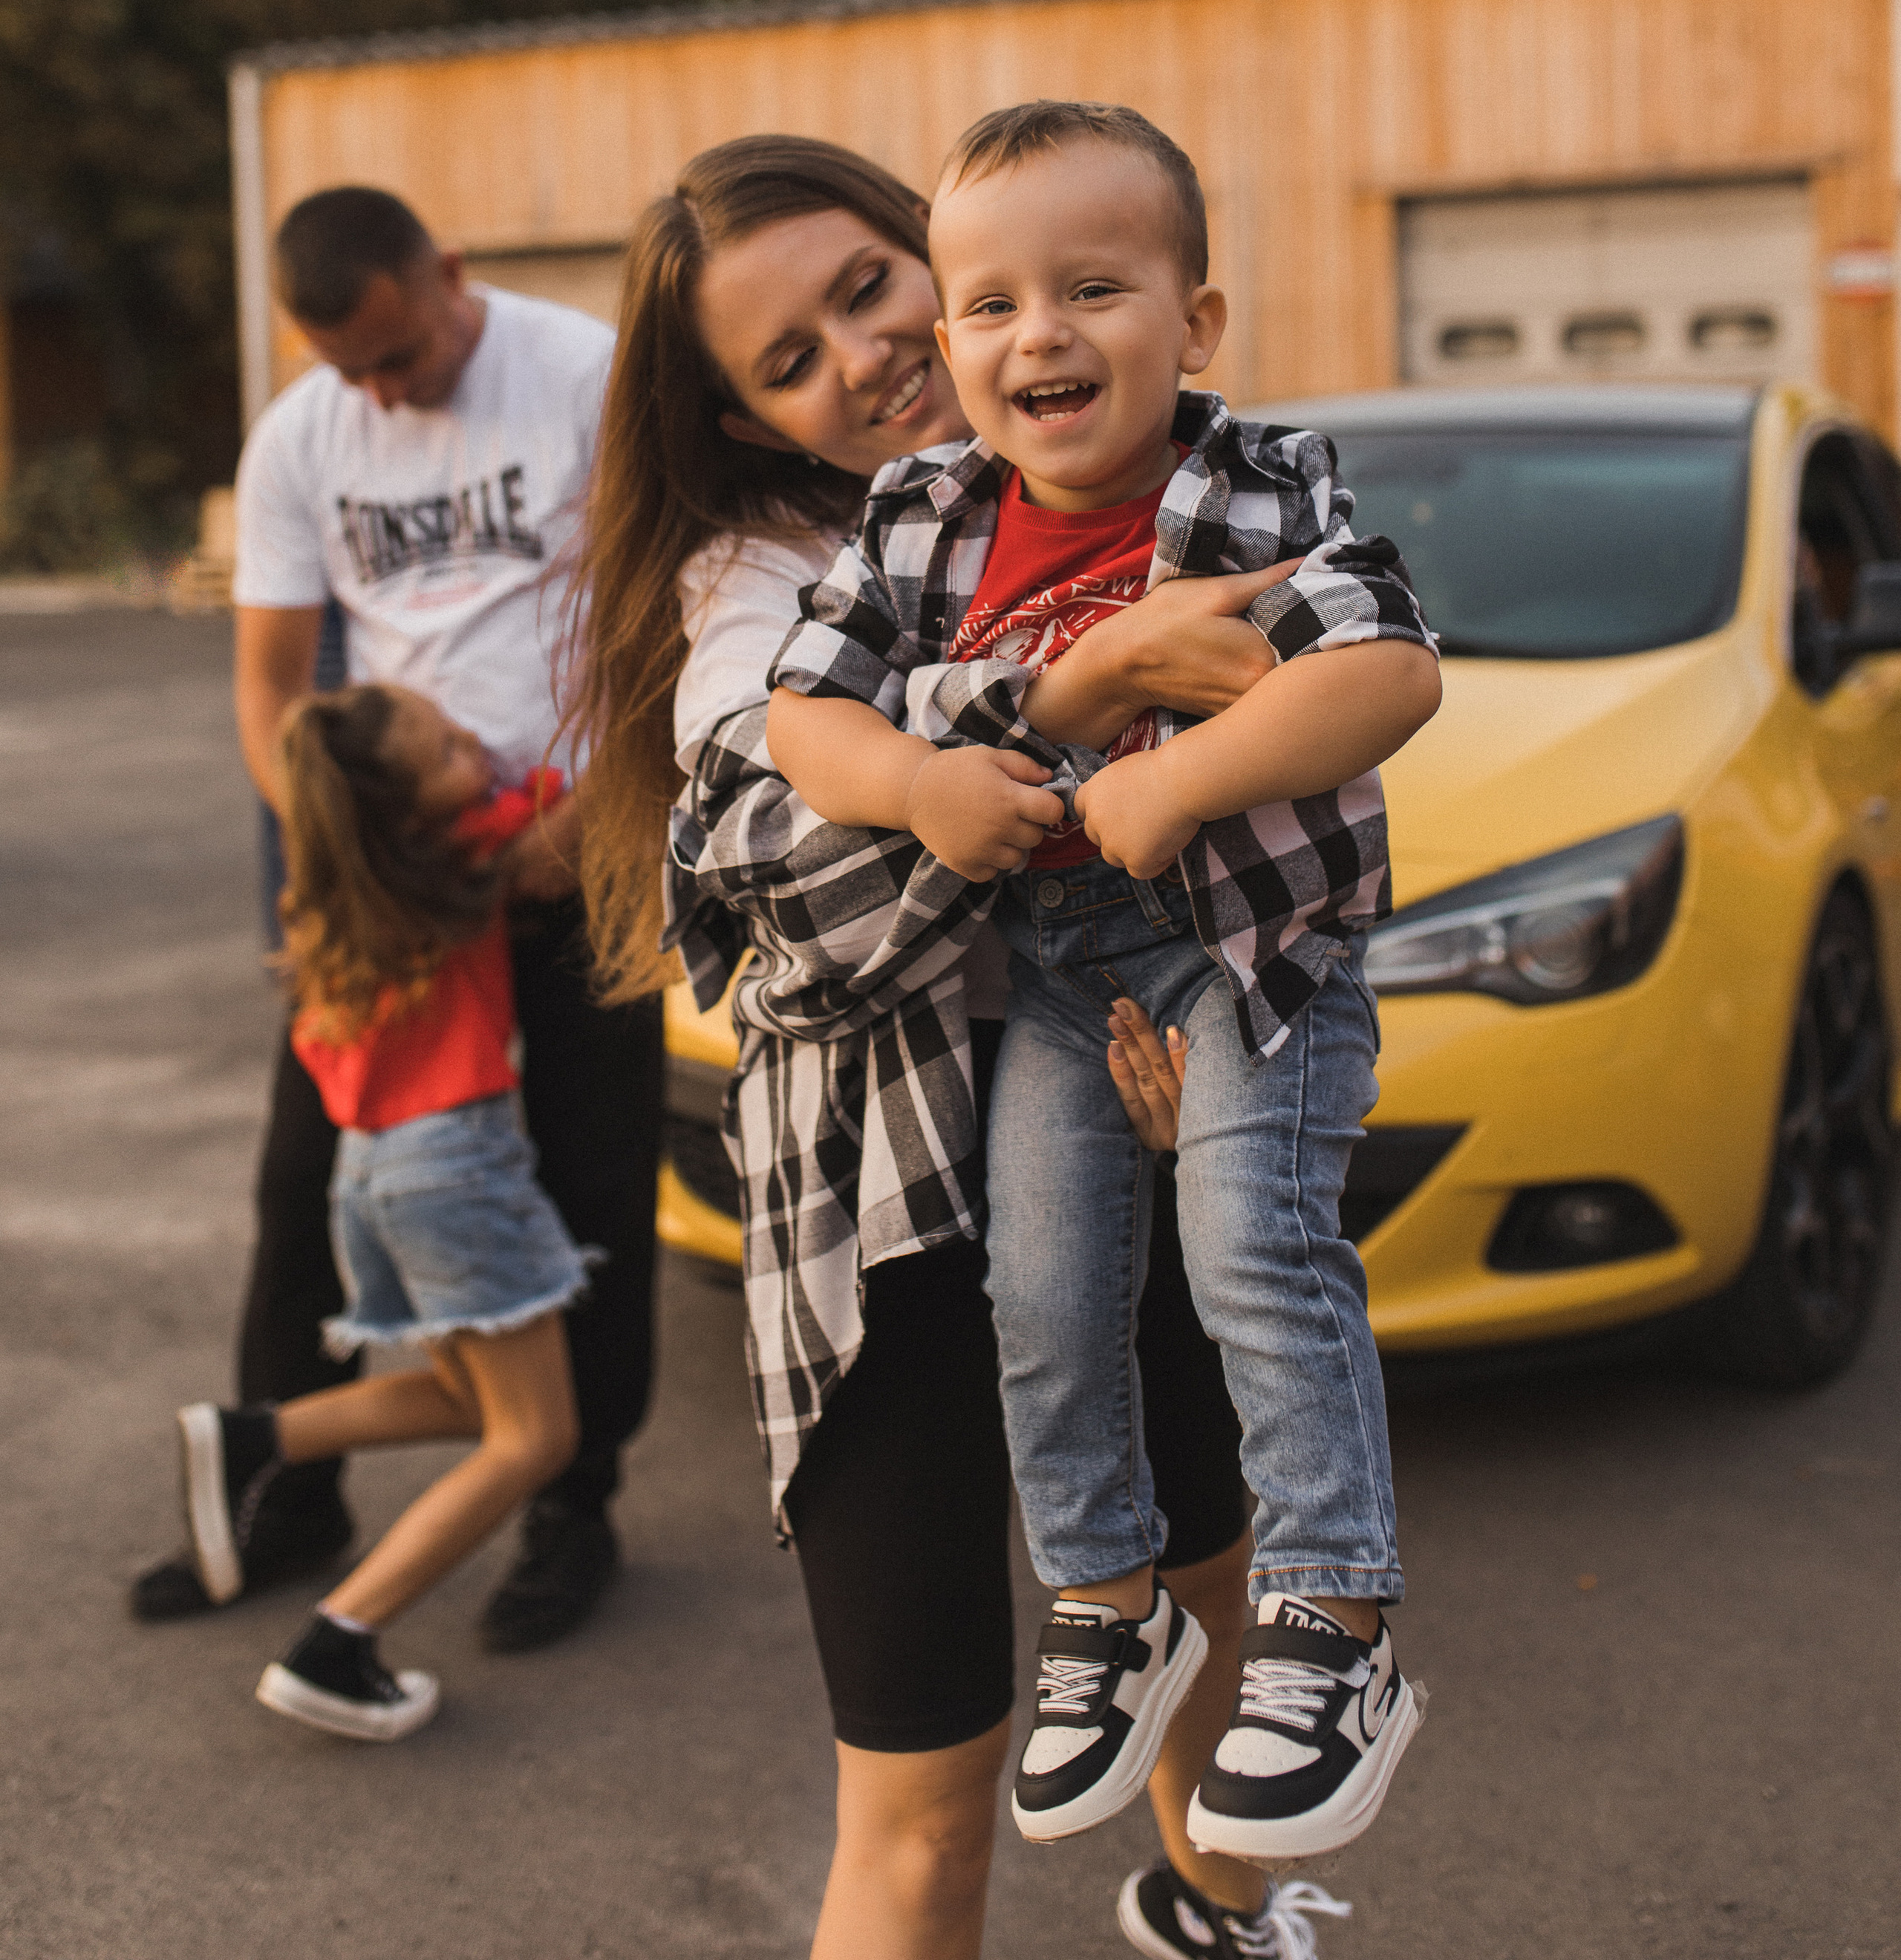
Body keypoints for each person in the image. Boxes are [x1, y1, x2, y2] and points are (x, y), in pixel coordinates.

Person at [570, 133, 1340, 1960]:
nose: (862, 353)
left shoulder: (1135, 474)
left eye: (865, 286)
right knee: (925, 1804)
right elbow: (798, 868)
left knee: (1220, 1641)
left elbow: (1302, 733)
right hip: (888, 1224)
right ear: (750, 422)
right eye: (787, 358)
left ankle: (1213, 1917)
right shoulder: (743, 597)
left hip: (1134, 1132)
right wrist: (1072, 695)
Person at [766, 101, 1441, 1864]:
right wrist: (915, 781)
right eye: (986, 306)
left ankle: (1331, 1618)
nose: (1035, 335)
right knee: (1044, 1295)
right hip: (1061, 985)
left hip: (1242, 959)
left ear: (1192, 323)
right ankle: (1105, 1595)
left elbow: (1385, 674)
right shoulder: (917, 518)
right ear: (950, 348)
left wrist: (1172, 780)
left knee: (1253, 1257)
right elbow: (796, 716)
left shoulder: (1256, 482)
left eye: (1091, 288)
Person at [131, 186, 662, 1653]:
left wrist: (605, 810)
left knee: (590, 1189)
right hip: (392, 905)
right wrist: (343, 859)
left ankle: (574, 1505)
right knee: (302, 1187)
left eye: (401, 355)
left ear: (449, 274)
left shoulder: (581, 376)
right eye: (350, 368)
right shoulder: (305, 434)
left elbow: (671, 621)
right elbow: (270, 689)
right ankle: (290, 1494)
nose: (381, 390)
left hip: (569, 863)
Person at [178, 684, 590, 1739]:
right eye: (448, 747)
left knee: (470, 1400)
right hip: (457, 1164)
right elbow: (565, 805)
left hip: (371, 1169)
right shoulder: (465, 853)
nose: (473, 741)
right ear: (410, 814)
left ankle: (256, 1435)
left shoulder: (333, 900)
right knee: (536, 1439)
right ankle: (340, 1641)